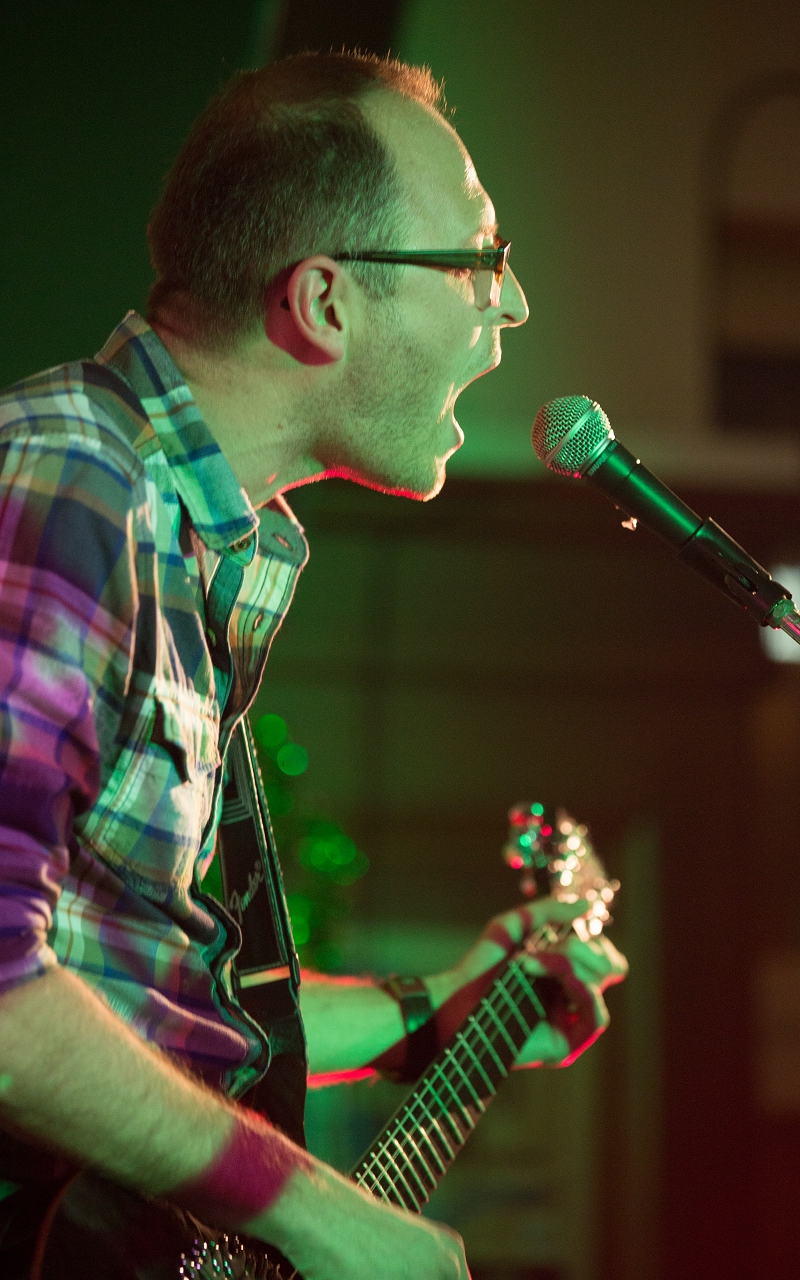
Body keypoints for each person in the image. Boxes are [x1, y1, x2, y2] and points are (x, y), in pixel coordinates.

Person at [0, 51, 627, 1279]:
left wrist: (428, 1009)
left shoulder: (190, 536)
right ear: (326, 301)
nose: (511, 304)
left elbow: (147, 1015)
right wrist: (315, 1210)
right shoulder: (75, 481)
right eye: (478, 257)